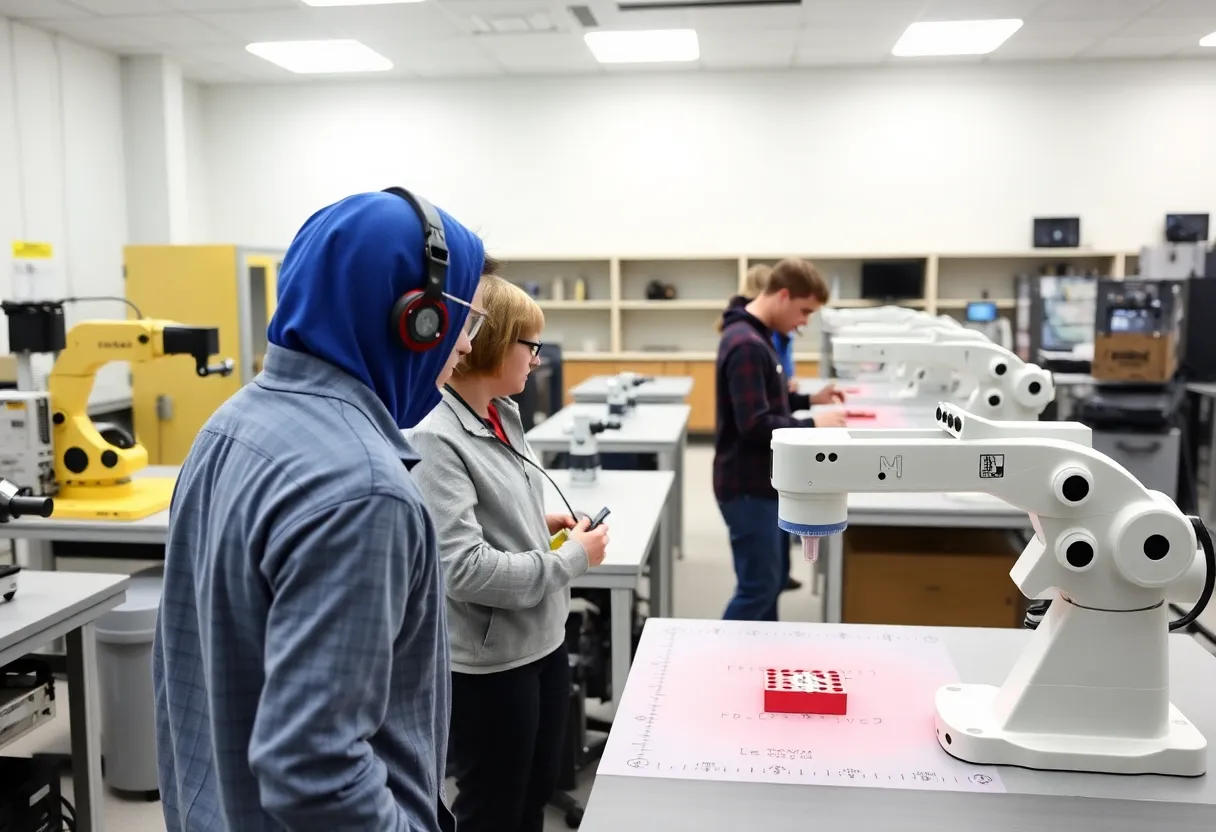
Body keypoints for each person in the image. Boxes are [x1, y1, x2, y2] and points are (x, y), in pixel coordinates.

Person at [152, 188, 490, 832]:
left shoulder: (228, 424)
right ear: (416, 318)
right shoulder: (364, 489)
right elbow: (315, 772)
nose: (467, 346)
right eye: (464, 320)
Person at [408, 275, 610, 832]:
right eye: (531, 345)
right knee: (494, 806)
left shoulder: (503, 413)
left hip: (542, 638)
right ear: (495, 343)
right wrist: (573, 560)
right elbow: (464, 569)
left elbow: (491, 511)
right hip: (492, 663)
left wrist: (539, 522)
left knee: (534, 791)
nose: (538, 359)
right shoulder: (436, 436)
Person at [714, 258, 844, 621]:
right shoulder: (746, 344)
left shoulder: (757, 337)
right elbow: (754, 425)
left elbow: (768, 401)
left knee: (769, 585)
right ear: (783, 295)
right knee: (758, 588)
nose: (804, 322)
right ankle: (722, 662)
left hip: (760, 483)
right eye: (804, 311)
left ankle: (760, 664)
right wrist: (815, 423)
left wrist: (808, 402)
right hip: (746, 487)